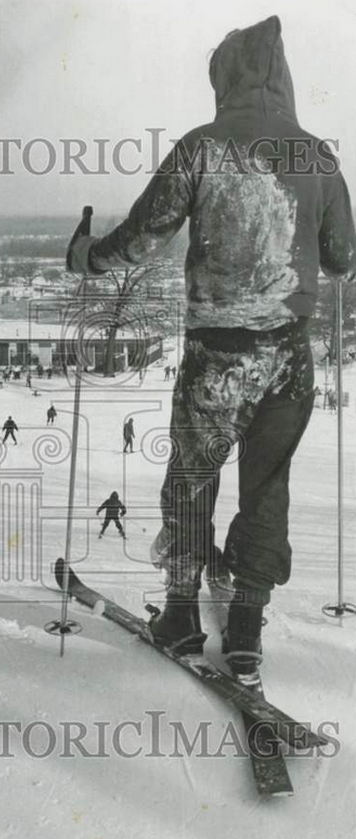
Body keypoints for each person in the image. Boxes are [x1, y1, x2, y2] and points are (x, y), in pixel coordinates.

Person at [69, 16, 356, 674]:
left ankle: (180, 612)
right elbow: (344, 258)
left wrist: (84, 256)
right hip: (289, 359)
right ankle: (248, 627)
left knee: (192, 481)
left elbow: (140, 242)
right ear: (280, 78)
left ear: (226, 78)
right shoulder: (317, 154)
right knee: (267, 490)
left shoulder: (200, 147)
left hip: (215, 359)